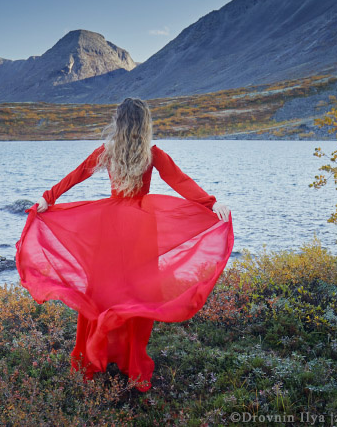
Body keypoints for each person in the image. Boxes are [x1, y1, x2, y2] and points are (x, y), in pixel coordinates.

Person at [15, 97, 234, 391]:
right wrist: (211, 203)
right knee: (139, 292)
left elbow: (75, 176)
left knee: (102, 292)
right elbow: (180, 182)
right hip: (141, 230)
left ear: (118, 122)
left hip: (110, 229)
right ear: (145, 123)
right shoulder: (153, 153)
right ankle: (132, 360)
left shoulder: (107, 151)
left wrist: (47, 198)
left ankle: (93, 356)